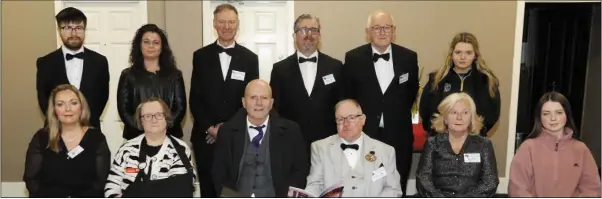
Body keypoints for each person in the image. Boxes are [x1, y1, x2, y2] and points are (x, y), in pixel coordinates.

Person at [341, 11, 419, 195]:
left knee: (396, 182)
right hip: (365, 133)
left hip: (399, 134)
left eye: (387, 27)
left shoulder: (408, 57)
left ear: (394, 31)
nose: (382, 32)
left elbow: (411, 93)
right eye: (377, 28)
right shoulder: (353, 58)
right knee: (364, 183)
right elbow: (348, 96)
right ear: (368, 32)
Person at [189, 3, 260, 197]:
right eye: (222, 21)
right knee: (209, 189)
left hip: (238, 136)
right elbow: (195, 98)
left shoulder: (250, 58)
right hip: (206, 138)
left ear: (238, 25)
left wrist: (226, 128)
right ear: (214, 24)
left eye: (231, 22)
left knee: (235, 189)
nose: (226, 26)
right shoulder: (200, 56)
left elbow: (251, 100)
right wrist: (210, 127)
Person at [212, 79, 309, 197]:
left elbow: (300, 172)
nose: (259, 103)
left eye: (264, 98)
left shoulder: (291, 131)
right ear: (243, 102)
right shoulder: (227, 132)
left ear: (271, 102)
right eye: (253, 97)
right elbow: (219, 174)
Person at [270, 14, 343, 150]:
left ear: (319, 36)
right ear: (294, 36)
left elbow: (341, 104)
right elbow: (274, 108)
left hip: (328, 142)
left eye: (313, 30)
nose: (308, 35)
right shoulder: (280, 69)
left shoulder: (336, 67)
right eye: (303, 30)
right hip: (291, 143)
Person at [24, 84, 111, 197]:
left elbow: (100, 183)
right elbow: (31, 180)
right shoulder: (41, 138)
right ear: (54, 110)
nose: (67, 109)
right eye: (60, 104)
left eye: (73, 103)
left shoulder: (96, 138)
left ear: (81, 107)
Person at [508, 92, 600, 197]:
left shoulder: (581, 149)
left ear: (567, 114)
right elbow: (517, 189)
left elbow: (592, 189)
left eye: (559, 112)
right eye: (546, 113)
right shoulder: (527, 148)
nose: (553, 118)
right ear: (540, 117)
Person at [305, 99, 403, 197]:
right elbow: (315, 186)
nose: (346, 123)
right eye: (340, 119)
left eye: (351, 118)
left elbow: (393, 189)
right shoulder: (320, 148)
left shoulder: (386, 151)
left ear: (363, 119)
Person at [105, 98, 196, 197]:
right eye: (147, 116)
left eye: (159, 115)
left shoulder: (180, 149)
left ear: (166, 118)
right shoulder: (127, 149)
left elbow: (179, 189)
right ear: (141, 121)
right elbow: (112, 185)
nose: (154, 119)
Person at [36, 7, 109, 129]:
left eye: (78, 28)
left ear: (85, 29)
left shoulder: (100, 62)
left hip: (90, 131)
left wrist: (86, 122)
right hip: (56, 132)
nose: (73, 33)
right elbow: (44, 100)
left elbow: (102, 98)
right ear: (59, 30)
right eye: (67, 28)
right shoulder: (45, 63)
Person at [415, 93, 499, 197]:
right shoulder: (432, 144)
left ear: (471, 118)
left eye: (465, 113)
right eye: (454, 112)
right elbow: (423, 179)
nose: (459, 117)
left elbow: (490, 181)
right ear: (445, 118)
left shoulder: (484, 145)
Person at [419, 32, 500, 137]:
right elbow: (426, 111)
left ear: (475, 55)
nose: (463, 57)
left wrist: (475, 132)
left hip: (474, 141)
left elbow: (492, 115)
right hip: (441, 141)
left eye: (468, 53)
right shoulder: (437, 80)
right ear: (451, 54)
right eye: (458, 52)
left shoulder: (486, 81)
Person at [117, 24, 187, 140]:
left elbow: (180, 109)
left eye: (156, 42)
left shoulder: (175, 75)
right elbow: (124, 111)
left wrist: (160, 129)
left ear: (162, 47)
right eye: (146, 42)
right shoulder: (127, 75)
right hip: (136, 137)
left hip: (169, 137)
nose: (151, 46)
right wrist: (146, 129)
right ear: (139, 46)